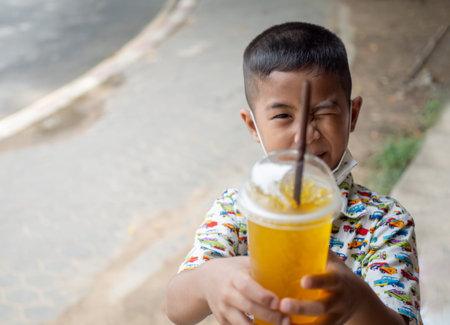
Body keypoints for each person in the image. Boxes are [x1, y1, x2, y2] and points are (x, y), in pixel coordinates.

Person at [165, 22, 422, 325]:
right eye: (283, 115)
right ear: (253, 126)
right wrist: (206, 281)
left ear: (352, 115)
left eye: (324, 113)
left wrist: (358, 302)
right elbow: (176, 309)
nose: (307, 135)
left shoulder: (385, 222)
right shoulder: (239, 209)